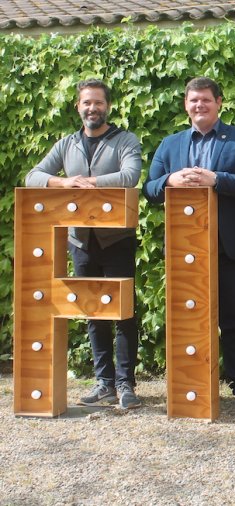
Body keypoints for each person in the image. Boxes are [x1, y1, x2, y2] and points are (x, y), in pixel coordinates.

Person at [142, 77, 235, 416]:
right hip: (187, 251)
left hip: (232, 249)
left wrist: (217, 180)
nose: (200, 106)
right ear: (186, 105)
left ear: (219, 102)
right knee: (189, 319)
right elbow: (149, 190)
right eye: (194, 100)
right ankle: (191, 388)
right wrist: (170, 180)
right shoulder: (170, 144)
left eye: (206, 100)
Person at [25, 79, 143, 409]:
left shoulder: (125, 140)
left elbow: (129, 176)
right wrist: (64, 182)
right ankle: (104, 382)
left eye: (98, 103)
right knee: (92, 313)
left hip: (116, 240)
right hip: (80, 241)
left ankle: (126, 384)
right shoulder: (66, 144)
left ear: (108, 106)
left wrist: (86, 183)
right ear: (78, 107)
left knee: (123, 314)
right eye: (87, 103)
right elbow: (33, 177)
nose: (93, 108)